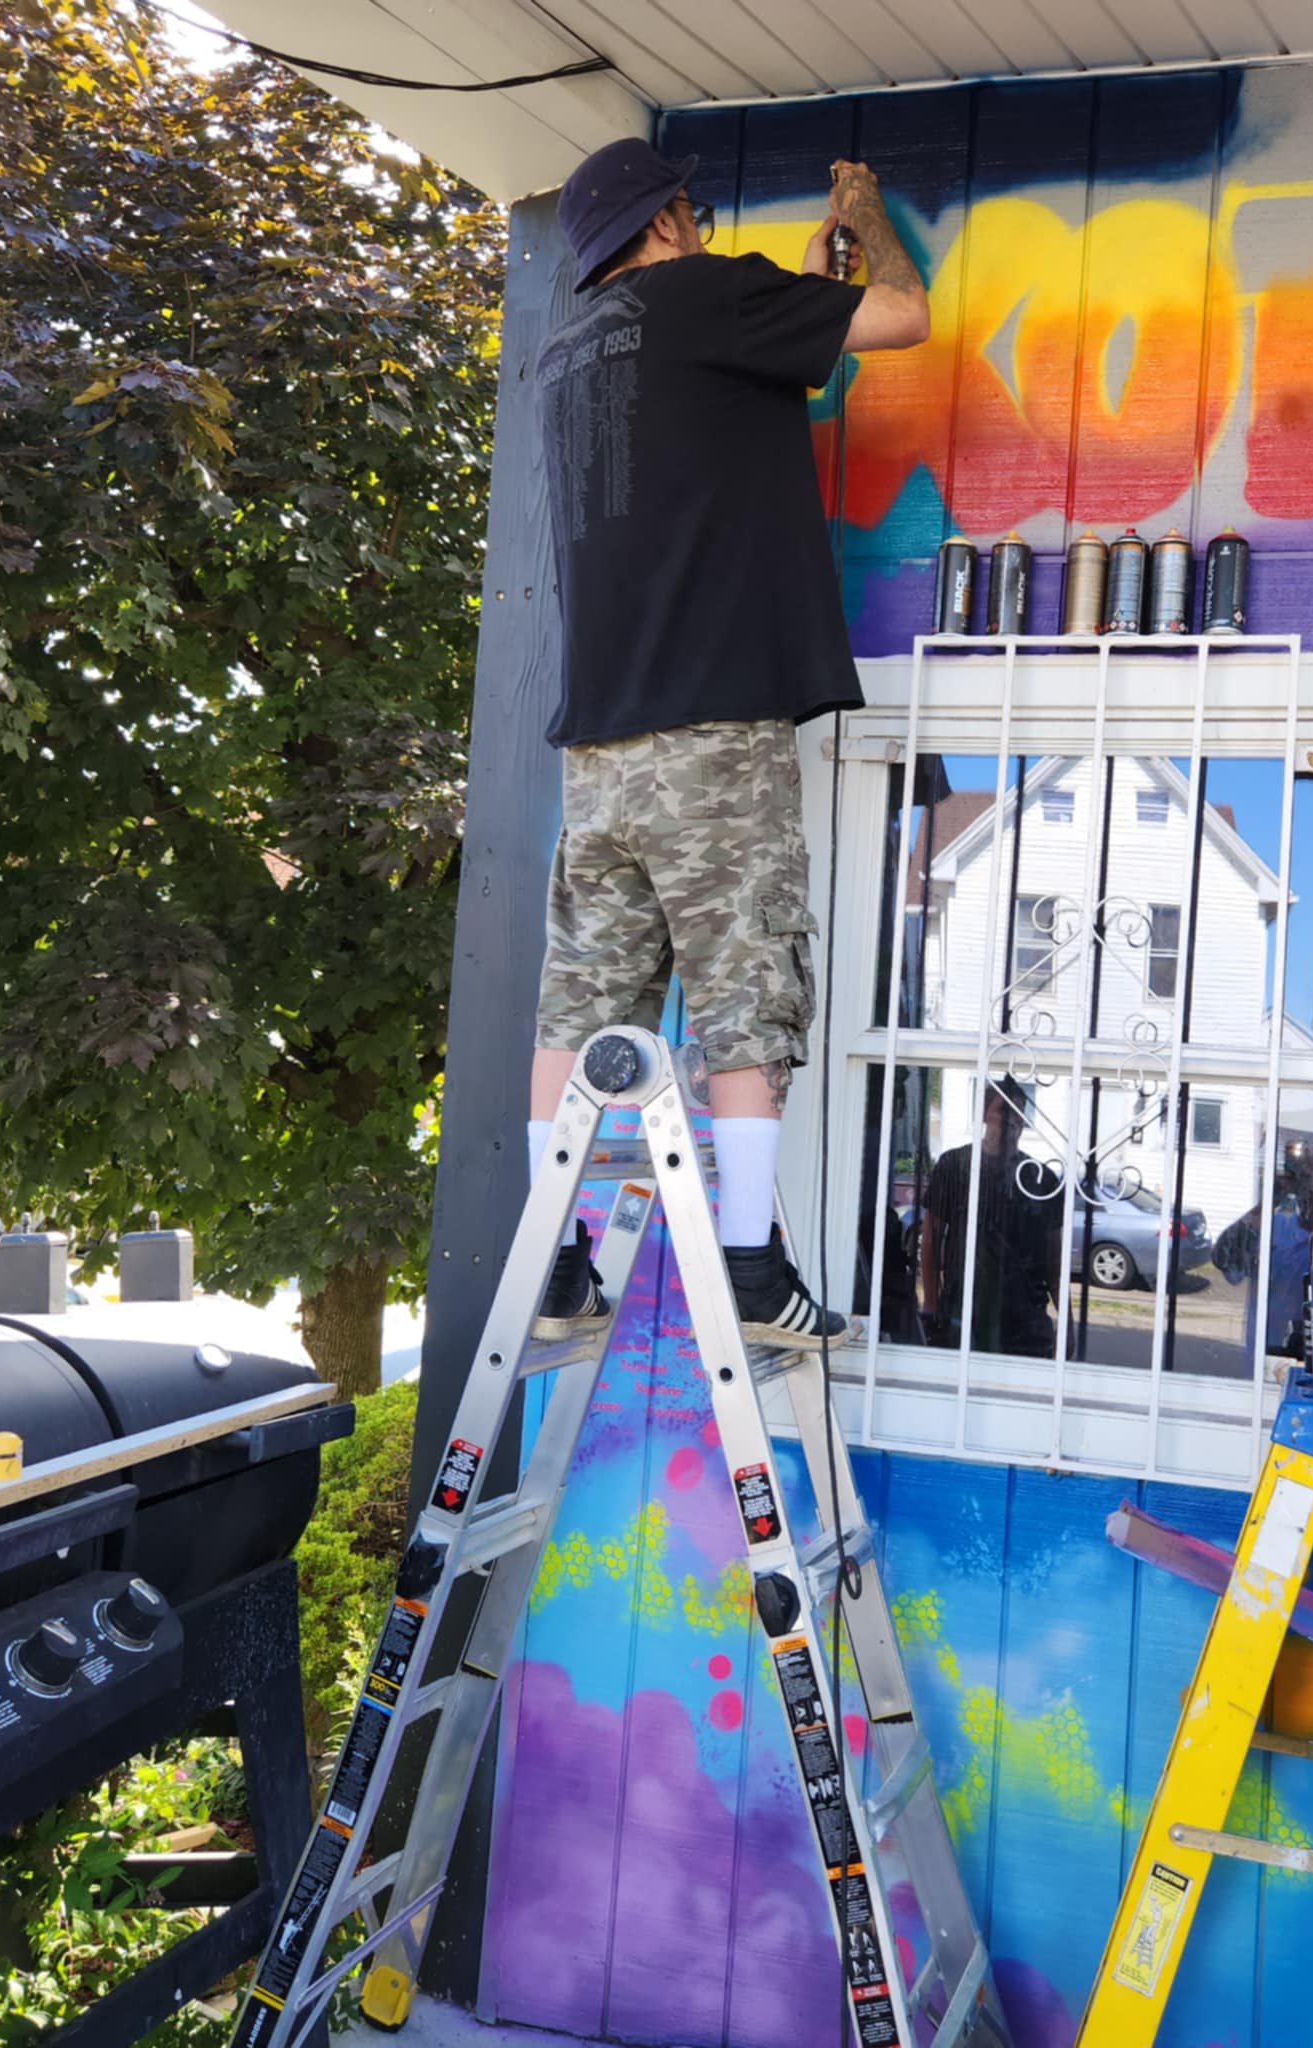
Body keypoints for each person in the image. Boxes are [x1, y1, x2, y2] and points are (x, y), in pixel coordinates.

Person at [526, 137, 931, 1346]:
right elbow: (901, 317)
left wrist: (798, 291)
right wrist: (862, 217)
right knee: (747, 987)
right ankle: (752, 1267)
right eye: (691, 210)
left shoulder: (563, 357)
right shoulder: (706, 293)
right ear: (662, 222)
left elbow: (715, 411)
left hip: (597, 751)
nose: (700, 226)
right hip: (710, 732)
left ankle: (551, 1261)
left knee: (580, 1003)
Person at [920, 1088, 1063, 1359]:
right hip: (964, 1309)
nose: (1012, 1119)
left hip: (1025, 1319)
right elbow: (931, 1239)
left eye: (1019, 1112)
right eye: (1004, 1110)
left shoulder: (1040, 1179)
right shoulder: (955, 1166)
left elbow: (1054, 1259)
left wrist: (1066, 1319)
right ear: (984, 1114)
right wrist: (931, 1304)